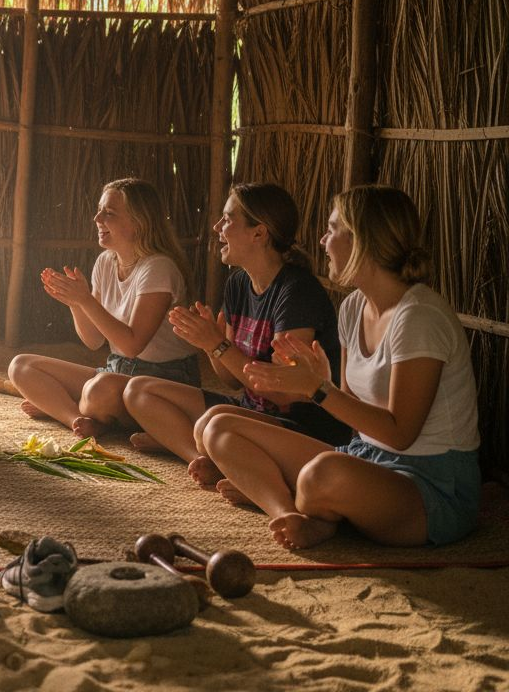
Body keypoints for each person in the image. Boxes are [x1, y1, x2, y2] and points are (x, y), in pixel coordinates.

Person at [201, 185, 479, 550]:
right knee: (220, 427)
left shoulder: (419, 317)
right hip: (365, 459)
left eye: (332, 230)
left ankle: (290, 494)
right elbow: (353, 415)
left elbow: (400, 435)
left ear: (363, 239)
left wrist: (316, 388)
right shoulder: (352, 308)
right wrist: (322, 382)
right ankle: (290, 512)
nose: (321, 240)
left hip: (430, 485)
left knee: (321, 475)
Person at [123, 183, 351, 487]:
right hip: (249, 410)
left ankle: (227, 461)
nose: (217, 227)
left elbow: (284, 390)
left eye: (228, 219)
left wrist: (218, 345)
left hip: (299, 424)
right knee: (138, 391)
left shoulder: (297, 292)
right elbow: (230, 380)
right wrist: (208, 345)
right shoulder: (238, 284)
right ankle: (203, 459)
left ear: (259, 233)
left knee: (211, 422)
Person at [8, 178, 198, 437]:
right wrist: (76, 302)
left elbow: (132, 346)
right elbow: (94, 341)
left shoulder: (159, 268)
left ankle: (79, 408)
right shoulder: (106, 262)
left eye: (108, 213)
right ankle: (76, 419)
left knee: (99, 391)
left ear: (139, 222)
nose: (97, 218)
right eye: (99, 210)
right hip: (116, 371)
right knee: (21, 366)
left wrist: (86, 300)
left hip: (162, 383)